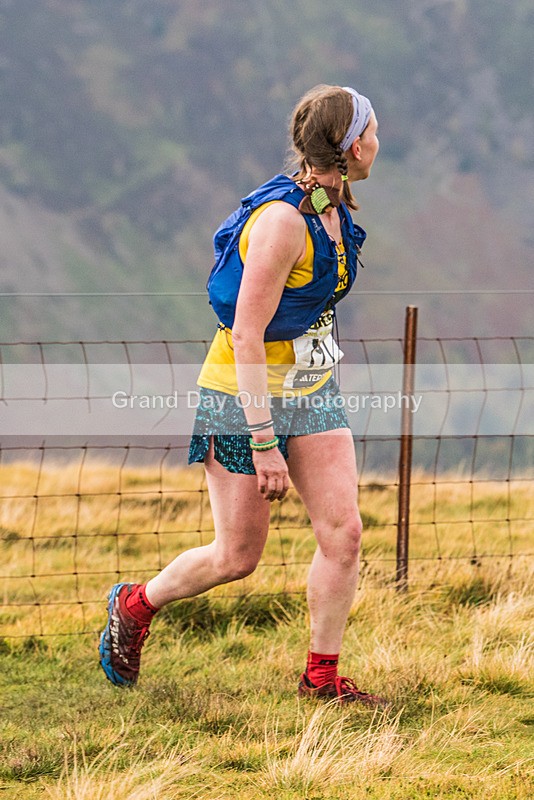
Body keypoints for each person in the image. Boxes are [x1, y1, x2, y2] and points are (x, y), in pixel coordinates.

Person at [99, 84, 387, 707]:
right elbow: (248, 334)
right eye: (373, 131)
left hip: (310, 390)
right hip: (241, 396)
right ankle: (135, 604)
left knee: (345, 532)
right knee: (236, 556)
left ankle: (322, 676)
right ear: (350, 144)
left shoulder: (334, 209)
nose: (379, 143)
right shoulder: (283, 222)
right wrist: (263, 442)